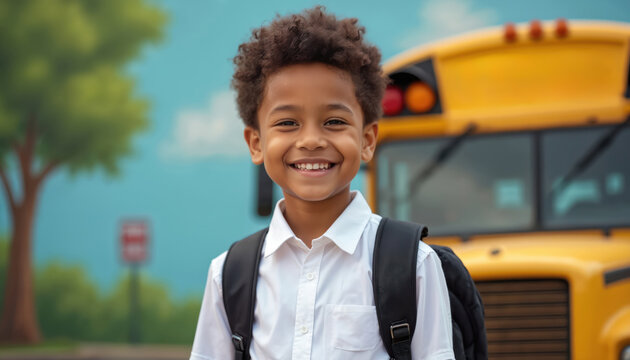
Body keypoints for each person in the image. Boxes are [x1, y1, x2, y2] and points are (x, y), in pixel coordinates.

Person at [190, 6, 454, 360]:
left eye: (333, 121)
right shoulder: (228, 275)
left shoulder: (413, 266)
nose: (311, 139)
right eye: (287, 123)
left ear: (367, 140)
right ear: (256, 143)